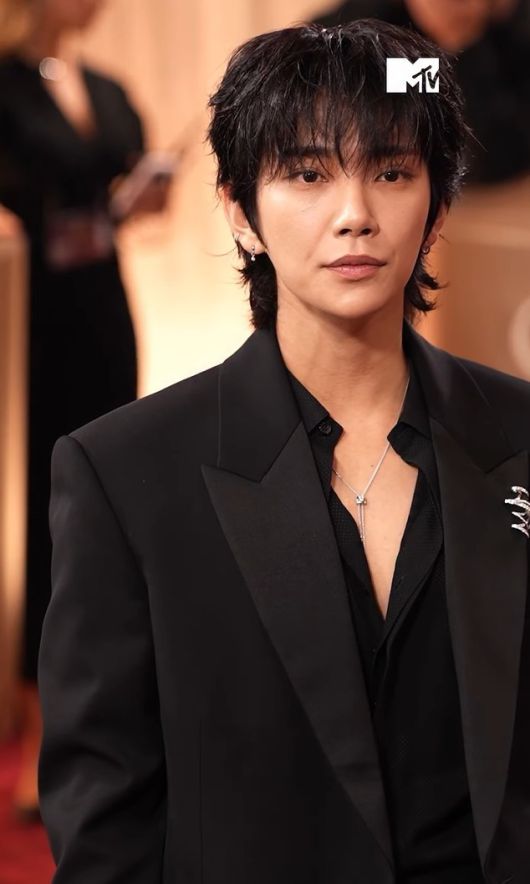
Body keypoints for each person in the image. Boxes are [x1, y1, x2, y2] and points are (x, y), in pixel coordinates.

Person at [39, 19, 530, 884]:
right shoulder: (125, 475)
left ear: (437, 205)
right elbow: (106, 826)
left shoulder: (519, 436)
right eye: (308, 174)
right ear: (241, 211)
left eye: (392, 172)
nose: (355, 215)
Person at [0, 0, 171, 820]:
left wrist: (142, 194)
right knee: (42, 516)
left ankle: (102, 714)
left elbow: (117, 186)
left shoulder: (103, 85)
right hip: (30, 318)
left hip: (103, 310)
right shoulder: (5, 84)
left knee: (104, 505)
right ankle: (37, 725)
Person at [315, 0, 530, 183]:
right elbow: (315, 59)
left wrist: (461, 42)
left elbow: (490, 157)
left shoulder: (515, 31)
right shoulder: (381, 12)